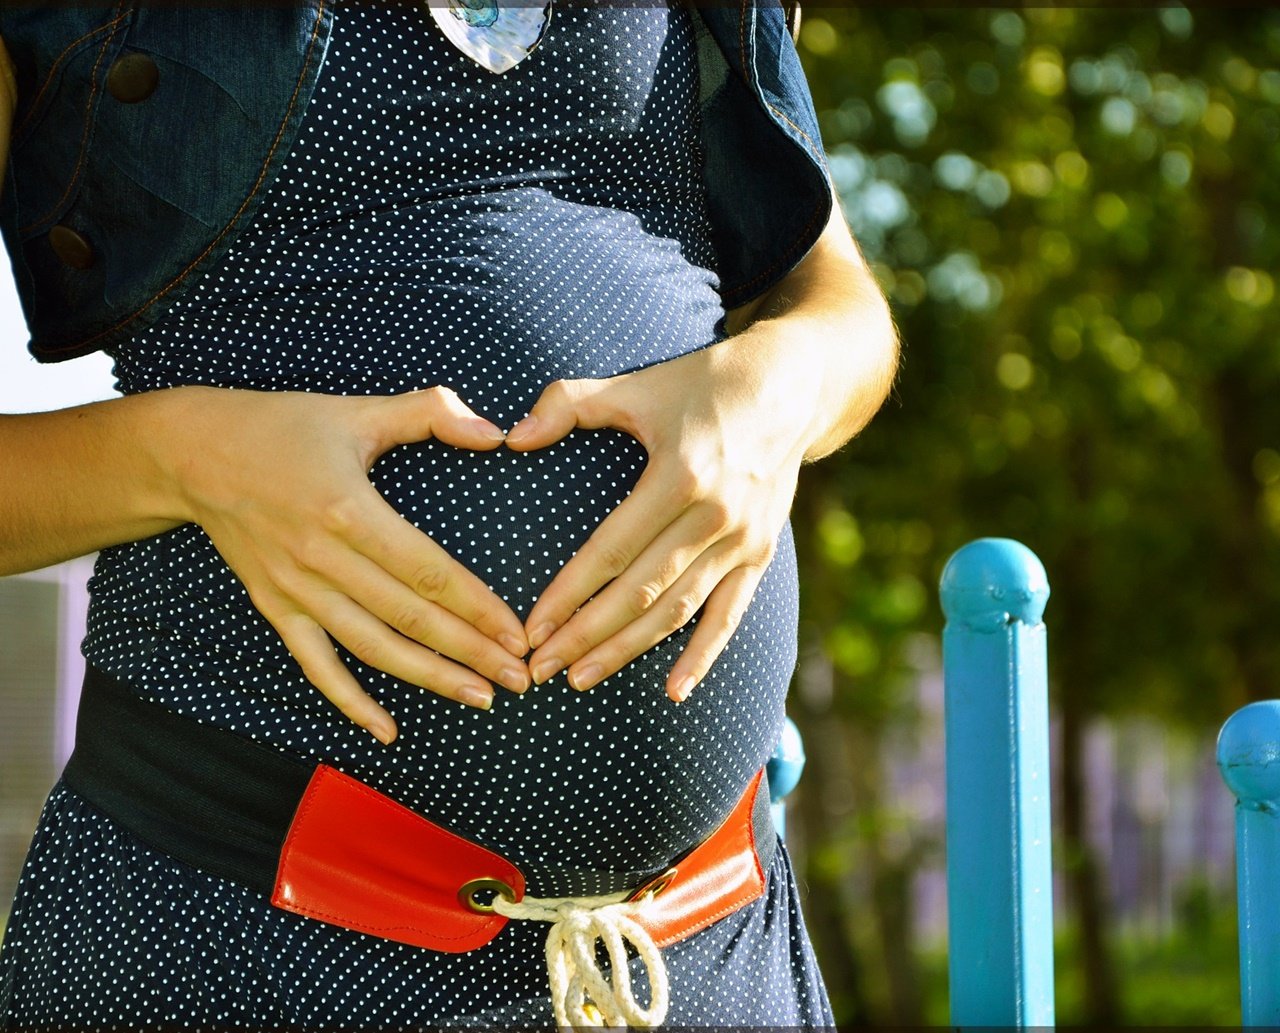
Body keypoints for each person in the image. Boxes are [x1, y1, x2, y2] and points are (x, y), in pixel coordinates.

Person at [0, 0, 897, 1027]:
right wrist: (185, 458)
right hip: (243, 943)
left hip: (701, 952)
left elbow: (839, 305)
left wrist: (782, 386)